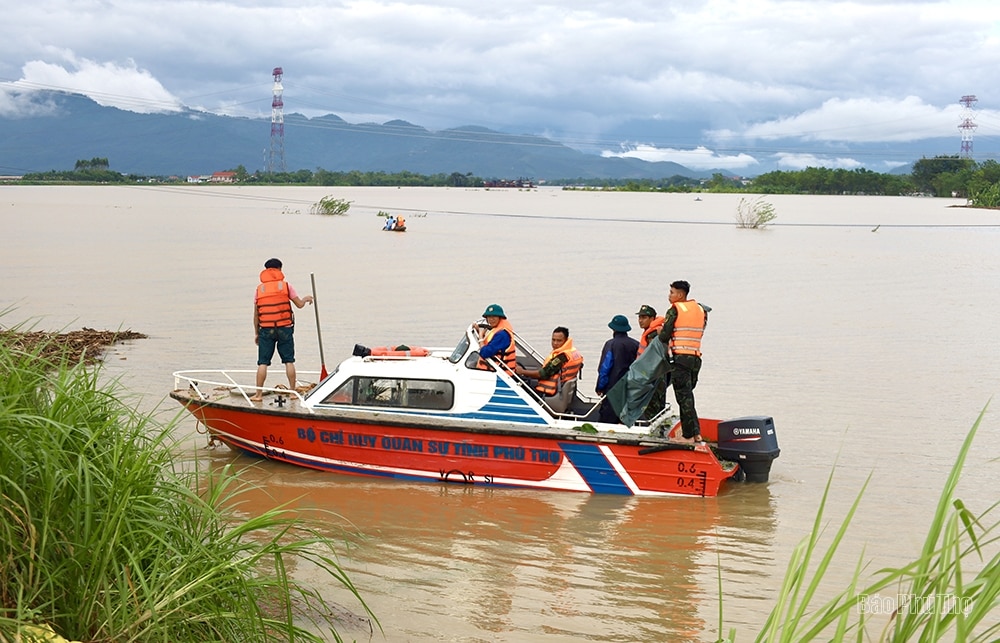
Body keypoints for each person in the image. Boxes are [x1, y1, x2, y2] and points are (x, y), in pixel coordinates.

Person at [251, 258, 313, 402]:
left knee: (263, 363)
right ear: (279, 269)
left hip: (266, 329)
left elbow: (256, 315)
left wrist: (256, 333)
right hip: (285, 328)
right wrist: (305, 299)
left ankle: (258, 395)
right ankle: (292, 393)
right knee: (289, 361)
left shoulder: (260, 289)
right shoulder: (286, 286)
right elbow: (299, 305)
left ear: (266, 270)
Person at [657, 280, 709, 442]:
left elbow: (664, 336)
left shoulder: (675, 309)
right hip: (695, 358)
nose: (669, 295)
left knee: (683, 398)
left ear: (680, 295)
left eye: (671, 292)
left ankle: (688, 436)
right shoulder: (700, 309)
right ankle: (696, 433)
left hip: (680, 358)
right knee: (688, 397)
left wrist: (660, 331)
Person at [515, 326, 584, 412]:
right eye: (553, 340)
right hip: (562, 391)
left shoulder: (561, 357)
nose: (555, 343)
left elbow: (543, 374)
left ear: (566, 340)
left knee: (519, 390)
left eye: (559, 341)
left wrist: (522, 371)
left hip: (550, 394)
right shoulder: (573, 352)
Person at [596, 314, 639, 424]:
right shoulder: (636, 344)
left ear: (613, 329)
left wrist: (600, 387)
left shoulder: (610, 344)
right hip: (630, 388)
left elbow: (605, 369)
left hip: (612, 389)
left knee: (607, 421)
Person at [636, 304, 668, 420]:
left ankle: (654, 433)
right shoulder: (654, 332)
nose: (640, 320)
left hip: (653, 376)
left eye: (644, 318)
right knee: (659, 407)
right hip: (658, 375)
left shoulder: (652, 335)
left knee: (652, 408)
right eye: (640, 317)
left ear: (652, 318)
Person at [476, 304, 517, 373]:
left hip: (499, 375)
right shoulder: (498, 330)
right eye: (489, 317)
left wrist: (480, 337)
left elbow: (484, 353)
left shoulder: (502, 335)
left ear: (500, 318)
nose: (491, 320)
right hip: (493, 370)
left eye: (494, 317)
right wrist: (480, 334)